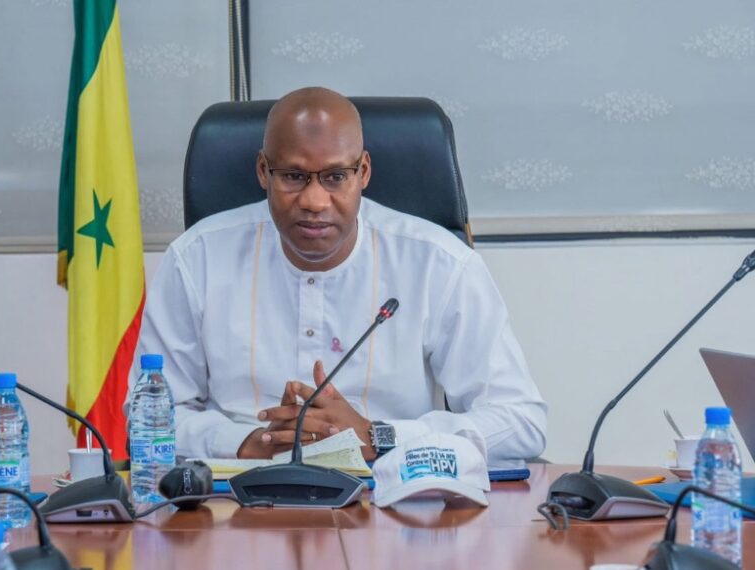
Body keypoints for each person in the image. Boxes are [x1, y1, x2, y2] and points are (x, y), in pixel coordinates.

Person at [128, 87, 547, 464]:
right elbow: (147, 415)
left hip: (390, 499)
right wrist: (244, 441)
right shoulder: (197, 259)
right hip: (236, 497)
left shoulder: (439, 264)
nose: (314, 200)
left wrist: (380, 436)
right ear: (263, 172)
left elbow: (521, 422)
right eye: (293, 176)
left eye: (335, 177)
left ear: (363, 172)